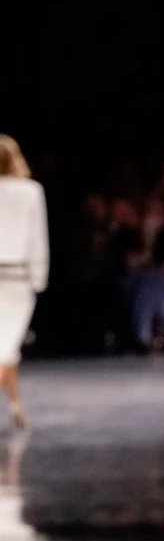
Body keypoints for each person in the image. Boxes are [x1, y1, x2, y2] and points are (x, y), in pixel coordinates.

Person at [0, 136, 49, 429]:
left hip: (12, 277)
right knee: (6, 347)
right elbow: (37, 237)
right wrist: (39, 278)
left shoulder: (31, 191)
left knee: (6, 348)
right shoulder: (31, 191)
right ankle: (14, 405)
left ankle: (15, 404)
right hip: (18, 279)